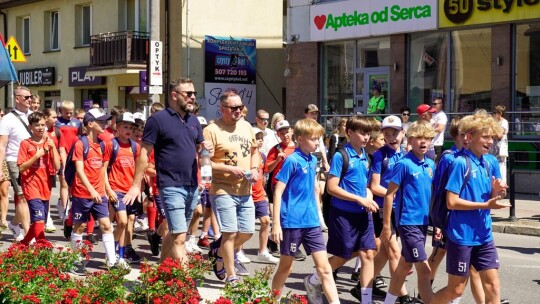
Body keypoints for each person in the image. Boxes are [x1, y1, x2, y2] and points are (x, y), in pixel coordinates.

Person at [123, 78, 212, 264]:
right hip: (170, 185)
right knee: (180, 238)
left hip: (192, 185)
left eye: (194, 93)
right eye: (188, 94)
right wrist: (135, 185)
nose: (193, 97)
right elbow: (144, 154)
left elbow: (199, 152)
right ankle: (188, 287)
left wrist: (206, 153)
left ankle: (162, 275)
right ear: (174, 95)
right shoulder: (158, 120)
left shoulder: (194, 120)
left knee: (173, 234)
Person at [431, 110, 509, 304]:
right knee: (456, 289)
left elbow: (494, 198)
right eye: (485, 136)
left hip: (484, 234)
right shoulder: (460, 163)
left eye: (491, 136)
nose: (490, 141)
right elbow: (452, 201)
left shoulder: (489, 162)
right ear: (469, 137)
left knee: (493, 286)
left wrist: (497, 192)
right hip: (461, 236)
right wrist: (486, 203)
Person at [307, 116, 379, 304]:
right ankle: (313, 279)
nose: (366, 137)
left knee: (368, 253)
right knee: (342, 255)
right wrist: (359, 199)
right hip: (343, 215)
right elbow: (332, 187)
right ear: (349, 133)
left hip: (363, 215)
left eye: (368, 133)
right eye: (362, 133)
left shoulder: (366, 156)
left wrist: (368, 197)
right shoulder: (341, 155)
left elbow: (364, 186)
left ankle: (366, 300)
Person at [270, 118, 341, 304]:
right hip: (292, 221)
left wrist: (318, 215)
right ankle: (273, 299)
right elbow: (278, 192)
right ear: (300, 139)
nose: (317, 142)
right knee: (286, 267)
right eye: (313, 139)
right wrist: (276, 224)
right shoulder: (292, 160)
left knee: (325, 268)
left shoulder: (313, 160)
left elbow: (313, 189)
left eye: (318, 138)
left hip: (311, 222)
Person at [204, 89, 260, 283]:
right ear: (222, 108)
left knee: (247, 232)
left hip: (245, 189)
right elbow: (204, 163)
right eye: (234, 108)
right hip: (222, 189)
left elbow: (254, 152)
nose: (238, 111)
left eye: (241, 107)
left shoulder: (246, 127)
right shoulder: (211, 130)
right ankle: (231, 275)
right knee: (230, 233)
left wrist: (254, 168)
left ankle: (219, 253)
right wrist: (227, 169)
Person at [380, 121, 437, 304]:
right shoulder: (403, 164)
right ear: (410, 140)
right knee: (425, 270)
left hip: (423, 222)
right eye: (419, 138)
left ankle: (389, 302)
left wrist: (437, 223)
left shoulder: (430, 164)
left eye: (427, 139)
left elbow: (431, 196)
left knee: (403, 266)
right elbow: (390, 195)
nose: (423, 142)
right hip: (407, 223)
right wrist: (387, 227)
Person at [69, 108, 121, 274]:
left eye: (105, 121)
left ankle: (112, 262)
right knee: (80, 226)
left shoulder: (104, 145)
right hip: (82, 193)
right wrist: (91, 190)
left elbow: (103, 170)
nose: (104, 124)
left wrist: (106, 189)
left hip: (100, 194)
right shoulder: (80, 143)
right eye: (100, 121)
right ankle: (75, 261)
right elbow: (79, 170)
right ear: (90, 124)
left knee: (106, 225)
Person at [369, 115, 410, 302]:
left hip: (401, 210)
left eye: (395, 133)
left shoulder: (407, 155)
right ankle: (403, 297)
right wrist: (393, 193)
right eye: (387, 134)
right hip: (383, 209)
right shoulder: (380, 155)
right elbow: (374, 186)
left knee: (385, 253)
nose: (392, 137)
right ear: (383, 136)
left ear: (403, 132)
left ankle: (362, 284)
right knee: (394, 252)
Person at [17, 112, 61, 245]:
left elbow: (57, 166)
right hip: (31, 186)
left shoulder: (49, 143)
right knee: (39, 220)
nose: (41, 128)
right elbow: (21, 168)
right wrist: (36, 156)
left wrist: (53, 149)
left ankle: (23, 244)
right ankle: (43, 247)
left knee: (39, 221)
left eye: (43, 125)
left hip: (45, 186)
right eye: (37, 125)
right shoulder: (26, 144)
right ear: (31, 127)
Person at [103, 112, 141, 265]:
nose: (129, 130)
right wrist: (108, 189)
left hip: (130, 191)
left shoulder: (135, 146)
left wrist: (138, 188)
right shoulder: (111, 145)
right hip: (116, 189)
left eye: (131, 128)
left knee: (127, 222)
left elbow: (139, 169)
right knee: (123, 222)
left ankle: (119, 255)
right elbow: (103, 169)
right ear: (117, 127)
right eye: (125, 127)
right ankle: (112, 252)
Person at [0, 86, 34, 241]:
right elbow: (2, 145)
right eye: (26, 97)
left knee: (31, 196)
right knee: (22, 196)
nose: (30, 100)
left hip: (34, 159)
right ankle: (28, 234)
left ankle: (14, 223)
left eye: (31, 97)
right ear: (17, 98)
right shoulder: (8, 119)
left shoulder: (34, 116)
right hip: (14, 160)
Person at [252, 129, 279, 264]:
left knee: (266, 221)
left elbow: (265, 173)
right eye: (257, 138)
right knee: (245, 228)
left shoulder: (262, 156)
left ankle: (262, 251)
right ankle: (238, 252)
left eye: (261, 138)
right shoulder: (247, 156)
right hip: (247, 195)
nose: (260, 141)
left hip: (259, 195)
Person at [491, 105, 509, 183]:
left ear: (500, 113)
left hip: (500, 151)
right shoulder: (493, 123)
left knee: (500, 170)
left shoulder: (504, 122)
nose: (493, 114)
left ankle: (501, 188)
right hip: (492, 151)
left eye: (495, 113)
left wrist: (490, 134)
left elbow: (499, 135)